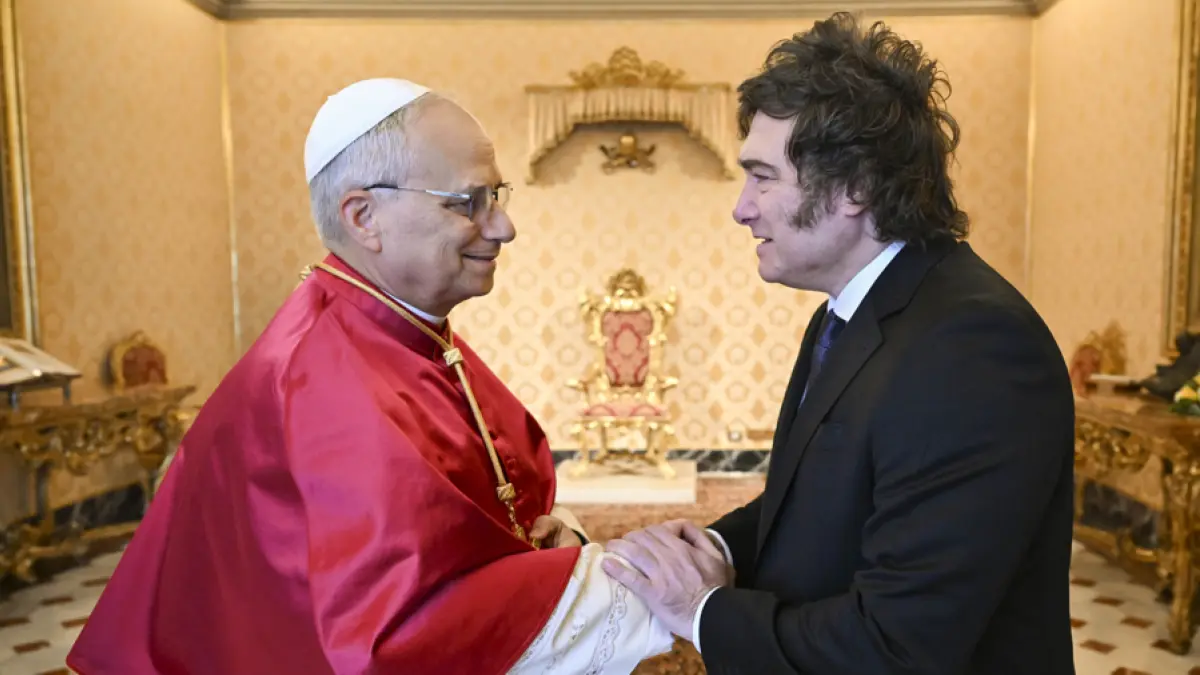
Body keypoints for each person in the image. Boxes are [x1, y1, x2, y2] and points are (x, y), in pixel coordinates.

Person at [67, 78, 673, 675]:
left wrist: (550, 546)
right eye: (468, 203)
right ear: (364, 217)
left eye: (497, 195)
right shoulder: (324, 382)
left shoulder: (401, 330)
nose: (502, 227)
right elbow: (403, 637)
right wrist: (647, 587)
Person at [602, 13, 1076, 675]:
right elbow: (821, 503)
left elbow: (899, 645)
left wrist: (702, 610)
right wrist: (711, 546)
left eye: (763, 176)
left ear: (856, 186)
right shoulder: (855, 309)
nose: (742, 207)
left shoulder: (974, 347)